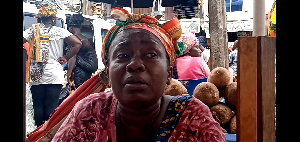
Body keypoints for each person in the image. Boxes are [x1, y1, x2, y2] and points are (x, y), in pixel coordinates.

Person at [52, 7, 225, 142]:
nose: (135, 64)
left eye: (151, 55)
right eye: (123, 55)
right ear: (107, 74)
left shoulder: (193, 119)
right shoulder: (89, 112)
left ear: (169, 73)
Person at [23, 2, 82, 127]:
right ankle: (48, 135)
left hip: (36, 74)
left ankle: (38, 134)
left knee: (38, 105)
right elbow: (77, 44)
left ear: (40, 17)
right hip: (54, 74)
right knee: (51, 107)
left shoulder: (32, 30)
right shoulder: (59, 31)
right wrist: (65, 58)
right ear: (53, 18)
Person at [66, 13, 98, 89]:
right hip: (87, 73)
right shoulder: (86, 39)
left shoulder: (74, 39)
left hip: (79, 73)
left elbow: (73, 57)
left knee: (76, 96)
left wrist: (68, 74)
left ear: (71, 28)